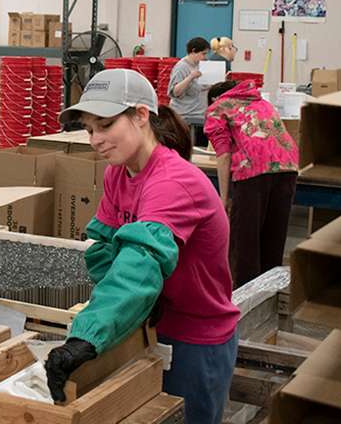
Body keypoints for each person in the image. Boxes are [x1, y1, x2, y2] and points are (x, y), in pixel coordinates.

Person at [44, 69, 239, 424]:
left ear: (140, 115)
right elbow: (105, 248)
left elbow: (140, 264)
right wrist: (115, 318)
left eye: (106, 125)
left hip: (194, 339)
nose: (96, 140)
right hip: (146, 326)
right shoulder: (118, 173)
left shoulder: (173, 182)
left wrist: (87, 336)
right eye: (89, 129)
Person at [204, 80, 298, 287]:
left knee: (244, 244)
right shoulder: (262, 102)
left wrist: (223, 199)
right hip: (287, 167)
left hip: (253, 169)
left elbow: (223, 155)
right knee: (273, 239)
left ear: (215, 98)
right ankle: (270, 293)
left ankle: (244, 298)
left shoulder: (217, 108)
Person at [169, 37, 210, 146]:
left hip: (199, 116)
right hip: (185, 117)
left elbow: (202, 88)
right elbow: (175, 92)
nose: (205, 57)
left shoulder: (200, 65)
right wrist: (190, 77)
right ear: (193, 51)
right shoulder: (181, 67)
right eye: (203, 54)